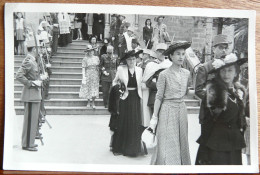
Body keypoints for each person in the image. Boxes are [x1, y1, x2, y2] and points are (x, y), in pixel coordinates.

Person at [195, 53, 247, 165]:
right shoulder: (214, 91)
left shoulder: (237, 92)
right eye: (223, 71)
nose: (226, 74)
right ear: (218, 73)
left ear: (236, 72)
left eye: (230, 70)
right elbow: (207, 122)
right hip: (216, 144)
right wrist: (204, 151)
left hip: (233, 142)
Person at [149, 41, 192, 165]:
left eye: (183, 54)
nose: (181, 57)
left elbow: (187, 92)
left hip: (182, 110)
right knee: (167, 141)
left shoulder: (187, 73)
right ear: (171, 56)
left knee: (181, 140)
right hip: (167, 110)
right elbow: (159, 97)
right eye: (178, 54)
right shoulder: (163, 74)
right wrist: (154, 117)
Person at [111, 50, 146, 157]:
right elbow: (114, 81)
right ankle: (120, 147)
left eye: (134, 59)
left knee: (134, 121)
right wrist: (118, 89)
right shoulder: (121, 69)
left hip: (136, 97)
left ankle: (133, 148)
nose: (132, 61)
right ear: (126, 60)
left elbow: (142, 83)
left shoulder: (140, 70)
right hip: (125, 98)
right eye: (130, 59)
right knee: (123, 121)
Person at [195, 34, 231, 124]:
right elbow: (198, 90)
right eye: (220, 47)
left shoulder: (230, 68)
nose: (223, 50)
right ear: (214, 49)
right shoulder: (205, 67)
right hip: (209, 113)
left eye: (225, 48)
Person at [15, 39, 42, 151]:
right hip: (30, 95)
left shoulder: (33, 61)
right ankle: (27, 144)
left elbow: (33, 75)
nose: (39, 50)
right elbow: (19, 75)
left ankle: (29, 142)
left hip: (34, 95)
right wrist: (31, 83)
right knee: (30, 120)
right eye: (38, 48)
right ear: (34, 49)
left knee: (33, 119)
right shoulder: (29, 61)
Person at [143, 43, 171, 113]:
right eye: (160, 51)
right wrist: (159, 86)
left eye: (164, 52)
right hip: (154, 96)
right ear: (156, 52)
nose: (162, 54)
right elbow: (147, 82)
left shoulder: (170, 64)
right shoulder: (151, 65)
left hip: (167, 97)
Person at [79, 45, 100, 109]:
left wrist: (99, 74)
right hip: (88, 73)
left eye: (91, 51)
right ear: (87, 52)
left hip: (95, 73)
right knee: (88, 87)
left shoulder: (96, 58)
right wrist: (83, 76)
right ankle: (88, 101)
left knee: (94, 88)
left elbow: (98, 66)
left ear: (93, 51)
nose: (91, 52)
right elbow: (83, 68)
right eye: (89, 51)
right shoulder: (85, 58)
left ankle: (93, 102)